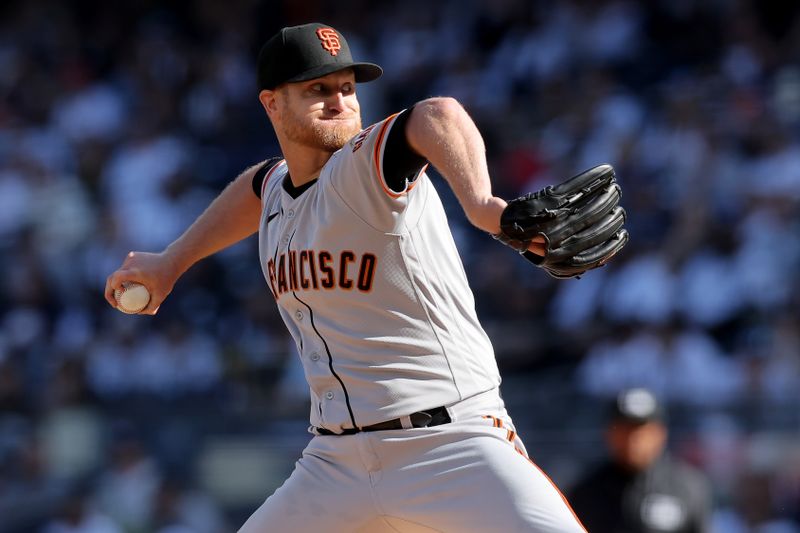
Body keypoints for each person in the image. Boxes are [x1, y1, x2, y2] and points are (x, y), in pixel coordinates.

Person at [105, 22, 586, 532]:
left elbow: (437, 114)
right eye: (318, 89)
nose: (339, 102)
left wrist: (485, 205)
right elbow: (255, 187)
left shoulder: (365, 165)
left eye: (348, 89)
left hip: (450, 445)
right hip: (334, 464)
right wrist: (171, 262)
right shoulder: (276, 191)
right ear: (272, 104)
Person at [568, 388, 712, 533]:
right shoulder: (586, 492)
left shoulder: (688, 486)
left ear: (660, 433)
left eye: (640, 429)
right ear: (609, 433)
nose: (633, 439)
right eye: (625, 429)